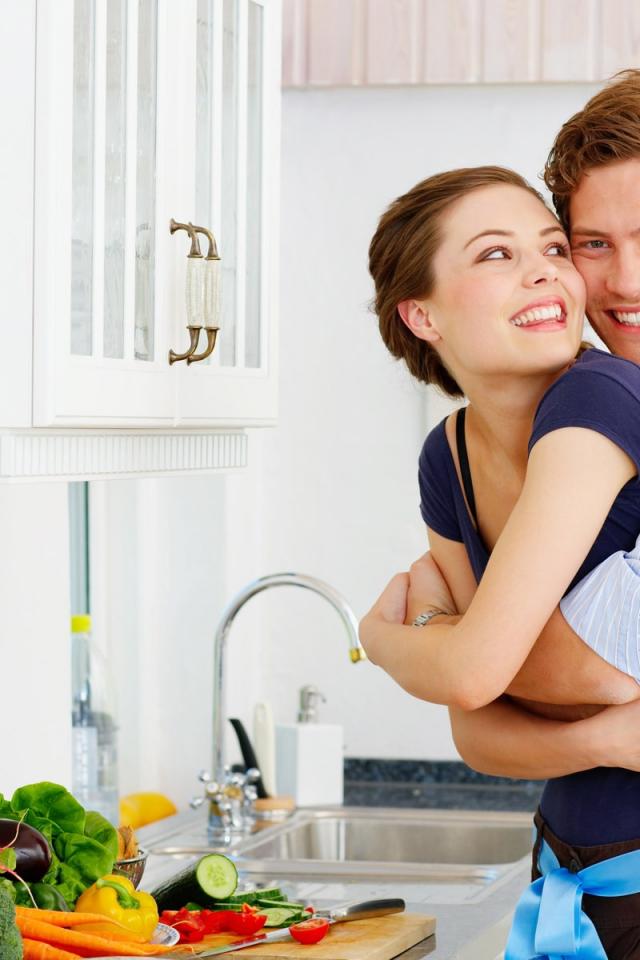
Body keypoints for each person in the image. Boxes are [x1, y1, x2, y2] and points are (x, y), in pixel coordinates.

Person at [361, 158, 640, 957]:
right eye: (495, 254)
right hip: (571, 879)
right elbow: (479, 735)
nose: (544, 271)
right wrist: (608, 739)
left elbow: (482, 673)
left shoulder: (604, 397)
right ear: (422, 314)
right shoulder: (445, 456)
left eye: (553, 247)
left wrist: (386, 636)